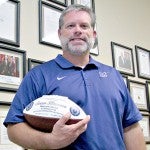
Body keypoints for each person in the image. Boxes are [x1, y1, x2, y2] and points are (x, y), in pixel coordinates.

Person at [3, 4, 146, 150]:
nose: (78, 30)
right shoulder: (38, 75)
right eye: (70, 26)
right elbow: (14, 128)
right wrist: (50, 141)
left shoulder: (113, 75)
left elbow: (131, 127)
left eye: (84, 26)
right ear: (59, 33)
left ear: (93, 34)